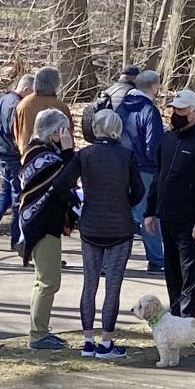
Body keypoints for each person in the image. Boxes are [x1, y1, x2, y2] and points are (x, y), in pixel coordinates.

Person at [54, 110, 143, 358]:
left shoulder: (85, 155)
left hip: (91, 225)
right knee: (112, 287)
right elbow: (138, 191)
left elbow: (61, 184)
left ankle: (87, 340)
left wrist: (79, 204)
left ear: (95, 129)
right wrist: (123, 202)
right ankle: (106, 342)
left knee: (89, 284)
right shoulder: (127, 155)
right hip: (119, 226)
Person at [143, 89, 195, 318]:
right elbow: (158, 176)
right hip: (167, 216)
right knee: (172, 270)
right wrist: (150, 210)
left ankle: (188, 320)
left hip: (191, 220)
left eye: (181, 110)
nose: (176, 113)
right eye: (174, 109)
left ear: (194, 113)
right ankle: (174, 317)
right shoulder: (167, 139)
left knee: (190, 272)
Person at [19, 108, 76, 350]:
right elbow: (67, 180)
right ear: (54, 132)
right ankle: (38, 335)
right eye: (64, 130)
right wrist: (68, 151)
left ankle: (39, 330)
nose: (68, 134)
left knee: (44, 281)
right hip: (42, 224)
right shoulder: (44, 157)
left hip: (43, 222)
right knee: (48, 282)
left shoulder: (42, 152)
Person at [116, 70, 166, 274]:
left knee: (121, 213)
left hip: (120, 167)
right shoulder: (149, 111)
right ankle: (156, 260)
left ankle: (109, 261)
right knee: (148, 215)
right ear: (154, 87)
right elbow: (153, 145)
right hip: (144, 169)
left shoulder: (120, 108)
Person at [0, 74, 35, 249]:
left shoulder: (3, 99)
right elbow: (15, 131)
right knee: (19, 195)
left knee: (6, 191)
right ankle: (17, 240)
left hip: (1, 151)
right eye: (32, 93)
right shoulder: (16, 105)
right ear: (26, 90)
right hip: (12, 153)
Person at [14, 67, 74, 156]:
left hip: (28, 156)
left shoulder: (23, 104)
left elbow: (16, 133)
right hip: (56, 159)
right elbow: (68, 135)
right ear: (56, 84)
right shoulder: (61, 106)